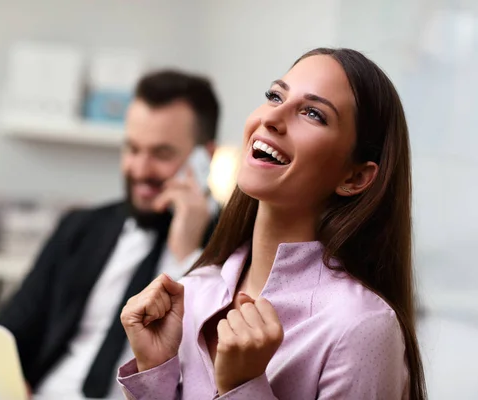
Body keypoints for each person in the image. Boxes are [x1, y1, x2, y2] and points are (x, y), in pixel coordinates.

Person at [118, 48, 427, 399]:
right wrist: (154, 370)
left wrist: (244, 388)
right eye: (274, 96)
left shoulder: (361, 326)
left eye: (313, 113)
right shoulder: (193, 292)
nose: (273, 117)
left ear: (355, 178)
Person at [0, 69, 221, 399]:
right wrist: (8, 382)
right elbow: (9, 334)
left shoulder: (235, 243)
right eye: (132, 149)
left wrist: (185, 255)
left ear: (205, 157)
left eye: (161, 154)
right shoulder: (81, 228)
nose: (140, 170)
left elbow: (206, 377)